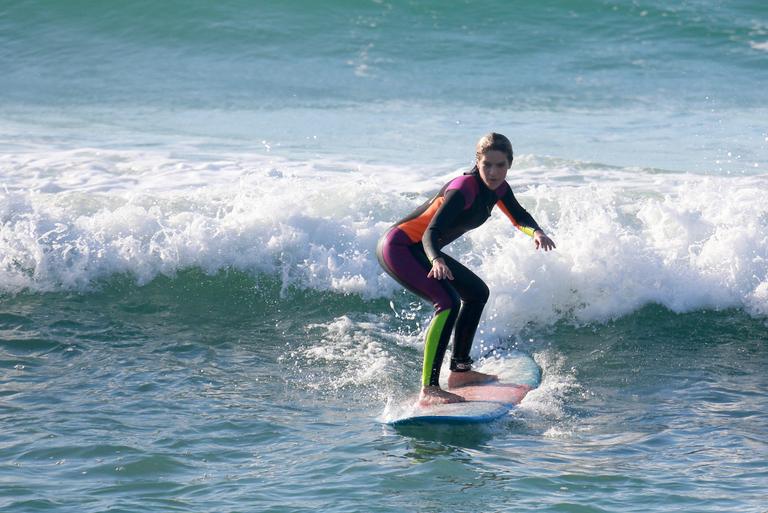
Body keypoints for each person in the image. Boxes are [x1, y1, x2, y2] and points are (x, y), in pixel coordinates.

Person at [376, 133, 556, 406]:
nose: (494, 172)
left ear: (509, 165)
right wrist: (437, 260)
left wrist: (536, 232)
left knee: (476, 292)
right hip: (400, 247)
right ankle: (430, 389)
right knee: (447, 302)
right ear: (477, 162)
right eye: (487, 165)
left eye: (500, 166)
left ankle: (460, 371)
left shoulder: (499, 189)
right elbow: (430, 232)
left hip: (421, 250)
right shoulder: (463, 189)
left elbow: (519, 216)